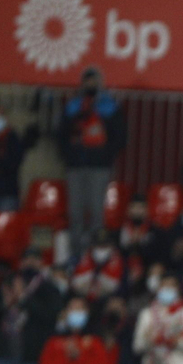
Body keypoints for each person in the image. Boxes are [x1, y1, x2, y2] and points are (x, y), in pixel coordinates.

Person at [57, 67, 127, 251]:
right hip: (75, 167)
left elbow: (119, 137)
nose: (91, 85)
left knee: (97, 213)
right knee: (75, 214)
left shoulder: (110, 107)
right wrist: (69, 155)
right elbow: (61, 134)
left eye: (94, 81)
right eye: (87, 81)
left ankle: (97, 253)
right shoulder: (73, 106)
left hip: (99, 168)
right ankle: (76, 256)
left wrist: (104, 155)